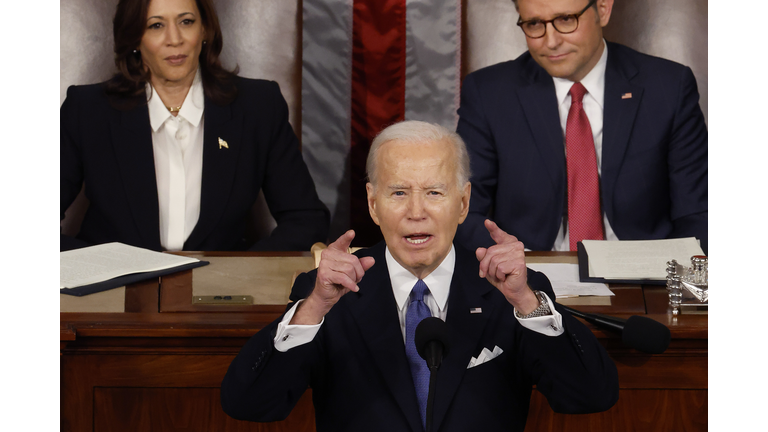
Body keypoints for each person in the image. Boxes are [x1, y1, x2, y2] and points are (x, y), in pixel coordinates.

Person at [221, 121, 618, 432]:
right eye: (398, 193)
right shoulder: (326, 294)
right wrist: (314, 308)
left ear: (462, 203)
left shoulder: (510, 289)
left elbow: (591, 396)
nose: (416, 212)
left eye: (434, 192)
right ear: (373, 205)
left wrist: (527, 303)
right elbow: (249, 405)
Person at [60, 0, 329, 252]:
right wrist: (95, 267)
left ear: (204, 29)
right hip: (113, 291)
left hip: (219, 295)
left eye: (186, 21)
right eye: (156, 25)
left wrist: (240, 273)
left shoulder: (258, 106)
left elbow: (306, 219)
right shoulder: (87, 110)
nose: (174, 39)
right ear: (135, 38)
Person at [455, 0, 708, 254]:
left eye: (566, 19)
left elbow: (697, 212)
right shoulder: (489, 94)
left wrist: (672, 282)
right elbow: (463, 210)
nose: (551, 41)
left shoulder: (668, 88)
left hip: (643, 275)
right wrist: (507, 262)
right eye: (534, 24)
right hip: (528, 272)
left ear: (602, 9)